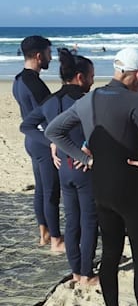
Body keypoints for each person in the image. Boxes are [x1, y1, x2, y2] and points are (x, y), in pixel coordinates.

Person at [45, 47, 138, 306]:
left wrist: (86, 158)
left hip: (100, 187)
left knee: (111, 252)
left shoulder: (90, 98)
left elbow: (54, 131)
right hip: (131, 187)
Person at [21, 49, 98, 285]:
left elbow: (27, 126)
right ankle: (86, 274)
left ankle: (76, 272)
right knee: (89, 221)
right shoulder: (86, 101)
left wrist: (52, 141)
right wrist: (86, 148)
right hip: (83, 167)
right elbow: (98, 131)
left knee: (72, 219)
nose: (93, 80)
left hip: (63, 168)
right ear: (80, 77)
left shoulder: (51, 100)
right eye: (92, 75)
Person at [12, 35, 64, 252]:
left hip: (33, 139)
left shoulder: (18, 80)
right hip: (43, 141)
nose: (51, 57)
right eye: (49, 53)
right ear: (38, 55)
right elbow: (49, 113)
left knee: (42, 190)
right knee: (51, 191)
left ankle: (44, 233)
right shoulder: (34, 82)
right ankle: (55, 240)